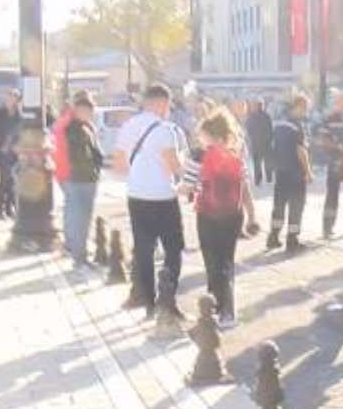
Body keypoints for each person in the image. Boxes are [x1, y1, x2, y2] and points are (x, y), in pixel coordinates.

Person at [112, 84, 190, 324]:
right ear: (161, 103)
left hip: (136, 196)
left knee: (144, 248)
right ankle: (167, 300)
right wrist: (183, 179)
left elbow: (119, 165)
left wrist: (139, 174)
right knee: (173, 248)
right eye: (168, 106)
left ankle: (147, 300)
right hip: (163, 197)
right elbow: (173, 165)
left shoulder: (128, 126)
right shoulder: (165, 130)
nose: (169, 110)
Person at [185, 110, 259, 329]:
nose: (200, 139)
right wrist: (252, 217)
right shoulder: (236, 156)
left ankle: (215, 308)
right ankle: (228, 312)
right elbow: (245, 190)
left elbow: (187, 187)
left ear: (210, 135)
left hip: (207, 214)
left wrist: (176, 187)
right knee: (226, 262)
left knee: (212, 263)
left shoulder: (198, 157)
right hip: (233, 216)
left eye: (202, 135)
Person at [62, 92, 104, 269]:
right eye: (84, 110)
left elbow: (96, 153)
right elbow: (77, 153)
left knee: (84, 219)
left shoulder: (87, 127)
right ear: (76, 110)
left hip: (88, 178)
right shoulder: (72, 128)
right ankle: (80, 257)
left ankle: (80, 254)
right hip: (78, 178)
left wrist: (97, 168)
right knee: (80, 219)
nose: (88, 114)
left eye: (89, 111)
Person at [266, 93, 312, 253]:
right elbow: (301, 150)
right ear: (298, 106)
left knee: (279, 205)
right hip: (296, 172)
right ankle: (292, 239)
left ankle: (273, 236)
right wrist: (308, 171)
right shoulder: (297, 125)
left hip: (281, 171)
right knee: (296, 206)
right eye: (305, 107)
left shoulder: (279, 123)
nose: (306, 111)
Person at [317, 91, 343, 238]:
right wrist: (337, 146)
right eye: (341, 101)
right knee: (332, 196)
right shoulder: (329, 119)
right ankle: (327, 227)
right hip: (334, 163)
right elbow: (322, 139)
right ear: (336, 103)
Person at [0, 90, 21, 219]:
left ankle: (9, 208)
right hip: (2, 151)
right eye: (9, 97)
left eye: (14, 98)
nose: (11, 100)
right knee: (5, 178)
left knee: (12, 180)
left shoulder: (19, 115)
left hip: (15, 151)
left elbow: (22, 132)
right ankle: (0, 207)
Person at [245, 98, 274, 187]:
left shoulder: (253, 116)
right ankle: (266, 179)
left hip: (258, 143)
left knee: (260, 162)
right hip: (263, 143)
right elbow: (270, 129)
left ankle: (260, 180)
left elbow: (248, 129)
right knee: (264, 162)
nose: (261, 106)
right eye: (260, 104)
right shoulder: (265, 116)